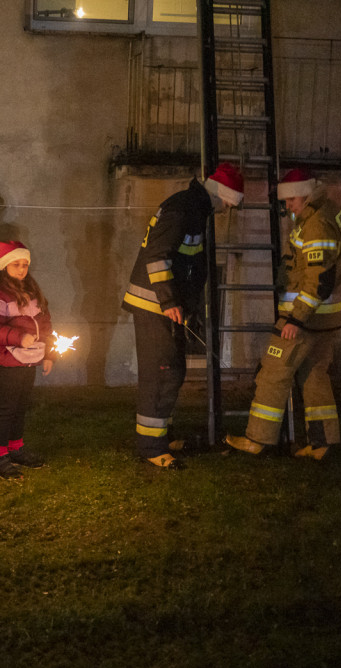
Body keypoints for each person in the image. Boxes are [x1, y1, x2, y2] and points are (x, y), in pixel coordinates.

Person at [122, 163, 245, 469]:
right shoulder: (184, 208)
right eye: (230, 201)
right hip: (155, 306)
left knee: (172, 372)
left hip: (165, 307)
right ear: (221, 193)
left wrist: (184, 306)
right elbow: (157, 256)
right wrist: (169, 301)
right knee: (161, 374)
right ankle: (151, 447)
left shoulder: (194, 208)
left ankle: (162, 435)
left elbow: (187, 265)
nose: (228, 208)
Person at [225, 168, 341, 460]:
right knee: (315, 377)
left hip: (304, 318)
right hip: (325, 318)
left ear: (304, 194)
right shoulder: (328, 212)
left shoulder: (316, 223)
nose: (288, 207)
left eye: (291, 201)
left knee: (272, 373)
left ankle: (257, 439)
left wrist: (296, 318)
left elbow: (318, 277)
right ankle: (323, 444)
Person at [0, 240, 57, 480]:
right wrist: (18, 338)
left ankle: (16, 448)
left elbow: (45, 323)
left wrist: (49, 353)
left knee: (21, 406)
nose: (22, 269)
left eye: (25, 264)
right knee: (7, 408)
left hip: (29, 360)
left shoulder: (32, 291)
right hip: (7, 360)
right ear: (5, 266)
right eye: (16, 264)